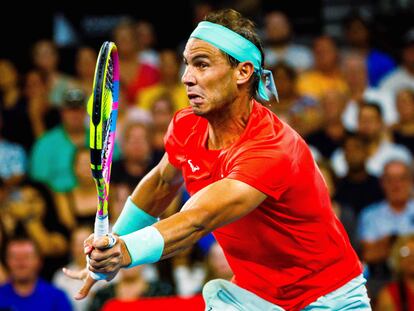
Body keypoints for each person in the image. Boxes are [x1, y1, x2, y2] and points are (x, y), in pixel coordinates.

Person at [65, 9, 370, 310]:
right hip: (257, 297)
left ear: (243, 72)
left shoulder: (272, 148)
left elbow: (197, 221)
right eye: (187, 64)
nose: (187, 78)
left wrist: (125, 251)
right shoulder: (187, 125)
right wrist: (112, 243)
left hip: (328, 298)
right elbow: (160, 184)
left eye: (202, 65)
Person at [0, 237, 72, 311]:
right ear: (6, 261)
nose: (21, 263)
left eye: (26, 257)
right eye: (15, 257)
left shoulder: (56, 298)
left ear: (39, 262)